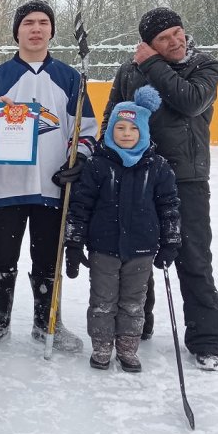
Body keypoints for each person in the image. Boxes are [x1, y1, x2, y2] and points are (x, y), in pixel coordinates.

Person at [104, 8, 218, 371]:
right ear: (148, 43)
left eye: (177, 32)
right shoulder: (130, 70)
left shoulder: (205, 66)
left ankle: (206, 340)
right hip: (139, 174)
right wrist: (100, 161)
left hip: (187, 178)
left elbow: (189, 101)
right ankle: (138, 322)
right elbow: (115, 116)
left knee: (193, 257)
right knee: (136, 252)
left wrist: (153, 63)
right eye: (163, 38)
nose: (175, 41)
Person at [0, 0, 97, 353]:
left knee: (47, 258)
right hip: (7, 186)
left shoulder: (70, 78)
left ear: (52, 31)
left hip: (52, 186)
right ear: (18, 31)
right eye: (28, 22)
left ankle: (47, 321)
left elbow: (85, 128)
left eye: (43, 22)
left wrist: (81, 158)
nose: (36, 28)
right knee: (3, 256)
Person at [64, 87, 181, 372]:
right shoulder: (97, 165)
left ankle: (128, 347)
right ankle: (102, 345)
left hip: (141, 249)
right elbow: (80, 207)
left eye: (133, 127)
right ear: (111, 130)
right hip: (103, 248)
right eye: (120, 127)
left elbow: (169, 207)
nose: (126, 133)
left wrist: (171, 242)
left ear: (143, 131)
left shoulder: (158, 167)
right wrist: (74, 243)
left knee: (133, 302)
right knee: (103, 301)